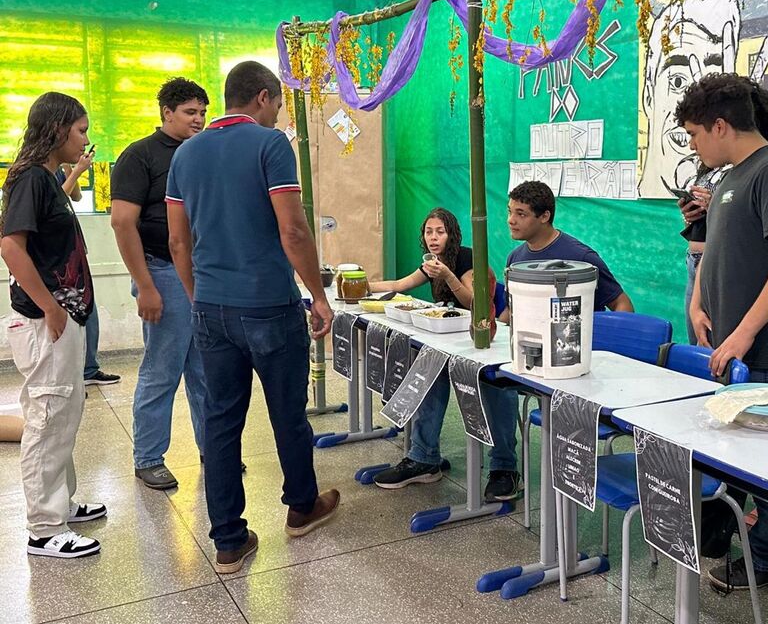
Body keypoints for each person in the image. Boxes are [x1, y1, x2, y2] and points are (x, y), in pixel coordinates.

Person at [166, 61, 338, 575]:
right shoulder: (270, 144)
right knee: (287, 412)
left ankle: (228, 542)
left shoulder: (186, 154)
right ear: (263, 97)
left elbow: (178, 240)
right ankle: (302, 508)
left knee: (220, 423)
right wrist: (319, 296)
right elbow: (294, 232)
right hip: (269, 305)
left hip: (212, 310)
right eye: (279, 103)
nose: (279, 112)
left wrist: (201, 297)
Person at [678, 73, 768, 591]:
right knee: (736, 455)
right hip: (725, 345)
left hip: (763, 349)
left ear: (719, 125)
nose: (692, 144)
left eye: (694, 134)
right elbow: (714, 249)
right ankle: (728, 538)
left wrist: (744, 334)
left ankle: (767, 559)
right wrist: (697, 301)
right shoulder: (730, 175)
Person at [0, 92, 107, 559]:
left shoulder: (46, 179)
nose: (84, 138)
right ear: (57, 129)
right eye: (80, 129)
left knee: (64, 414)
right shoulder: (27, 178)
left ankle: (60, 504)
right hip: (46, 320)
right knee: (46, 417)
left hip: (63, 316)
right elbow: (10, 247)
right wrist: (50, 307)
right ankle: (44, 527)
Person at [111, 77, 219, 490]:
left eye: (203, 112)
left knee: (206, 370)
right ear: (166, 113)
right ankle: (149, 457)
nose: (198, 119)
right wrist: (147, 286)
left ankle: (214, 450)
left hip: (203, 272)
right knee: (163, 369)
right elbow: (123, 222)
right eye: (190, 112)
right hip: (162, 271)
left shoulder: (203, 153)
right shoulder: (140, 156)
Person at [370, 208, 518, 501]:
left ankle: (505, 468)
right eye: (428, 232)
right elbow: (400, 286)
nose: (433, 237)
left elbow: (476, 302)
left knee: (495, 384)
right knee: (427, 371)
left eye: (440, 231)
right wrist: (363, 285)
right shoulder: (431, 263)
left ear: (452, 234)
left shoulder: (468, 259)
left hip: (485, 339)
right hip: (451, 339)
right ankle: (424, 458)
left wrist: (448, 276)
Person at [637, 0, 741, 198]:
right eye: (677, 81)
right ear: (648, 95)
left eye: (712, 86)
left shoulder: (766, 171)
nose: (692, 144)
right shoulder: (707, 181)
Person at [500, 180, 634, 319]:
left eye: (521, 214)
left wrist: (609, 336)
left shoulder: (582, 258)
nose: (511, 220)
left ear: (545, 216)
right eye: (510, 211)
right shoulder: (515, 259)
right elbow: (511, 311)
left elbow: (621, 303)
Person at [54, 158, 122, 388]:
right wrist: (79, 171)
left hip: (73, 250)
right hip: (55, 258)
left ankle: (88, 369)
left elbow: (76, 197)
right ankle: (70, 377)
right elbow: (55, 201)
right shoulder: (34, 174)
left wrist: (70, 170)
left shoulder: (60, 169)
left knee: (88, 309)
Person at [677, 165, 726, 343]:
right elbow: (705, 222)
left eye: (693, 135)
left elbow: (735, 217)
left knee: (709, 341)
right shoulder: (709, 165)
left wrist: (715, 206)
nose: (692, 146)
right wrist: (690, 213)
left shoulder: (743, 168)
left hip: (715, 259)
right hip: (695, 258)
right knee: (696, 338)